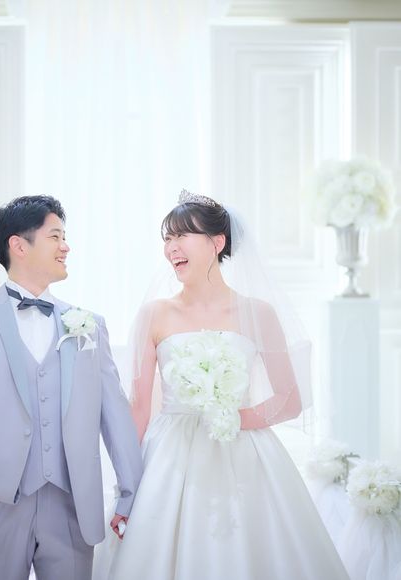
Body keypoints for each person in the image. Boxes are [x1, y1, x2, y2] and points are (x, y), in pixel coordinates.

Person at [93, 190, 349, 579]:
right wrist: (126, 489)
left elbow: (290, 398)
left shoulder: (258, 313)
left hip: (245, 456)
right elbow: (139, 408)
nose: (171, 248)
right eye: (167, 238)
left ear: (217, 242)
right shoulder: (154, 315)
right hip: (168, 458)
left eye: (182, 235)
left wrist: (235, 418)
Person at [0, 195, 143, 580]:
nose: (66, 246)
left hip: (73, 508)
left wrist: (129, 494)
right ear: (18, 245)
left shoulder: (89, 325)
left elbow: (115, 415)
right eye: (55, 236)